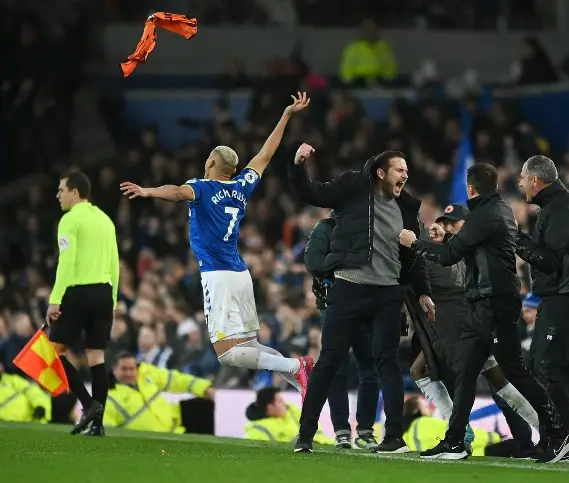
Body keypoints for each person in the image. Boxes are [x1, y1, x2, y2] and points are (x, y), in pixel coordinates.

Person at [120, 93, 314, 399]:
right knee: (251, 347)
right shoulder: (241, 186)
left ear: (211, 161)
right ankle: (304, 384)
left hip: (217, 275)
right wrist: (287, 115)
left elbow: (175, 192)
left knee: (227, 354)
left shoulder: (201, 186)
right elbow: (265, 153)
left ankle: (296, 366)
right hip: (240, 273)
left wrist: (147, 191)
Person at [399, 163, 569, 463]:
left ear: (470, 189)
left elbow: (448, 257)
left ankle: (560, 434)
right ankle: (456, 440)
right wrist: (444, 238)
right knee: (468, 371)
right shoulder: (501, 210)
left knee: (510, 373)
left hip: (492, 303)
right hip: (492, 302)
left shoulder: (483, 215)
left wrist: (414, 243)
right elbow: (467, 249)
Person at [288, 144, 433, 454]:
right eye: (399, 170)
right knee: (329, 362)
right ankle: (305, 434)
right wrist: (298, 165)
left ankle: (393, 436)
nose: (405, 175)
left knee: (388, 364)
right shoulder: (351, 187)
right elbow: (312, 193)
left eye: (407, 171)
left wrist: (423, 292)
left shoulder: (406, 207)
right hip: (349, 288)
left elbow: (413, 256)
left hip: (387, 294)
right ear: (381, 173)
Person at [408, 203, 539, 450]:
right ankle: (461, 431)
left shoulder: (470, 248)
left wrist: (424, 243)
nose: (447, 228)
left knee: (499, 382)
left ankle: (545, 431)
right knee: (424, 370)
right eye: (445, 223)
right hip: (457, 324)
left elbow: (453, 280)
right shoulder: (453, 248)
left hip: (472, 322)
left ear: (467, 225)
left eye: (452, 223)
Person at [515, 154, 569, 458]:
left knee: (547, 368)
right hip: (557, 297)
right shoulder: (555, 206)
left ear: (535, 180)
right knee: (537, 367)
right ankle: (552, 438)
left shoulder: (562, 208)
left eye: (522, 178)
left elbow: (549, 259)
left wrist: (515, 238)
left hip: (567, 298)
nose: (519, 183)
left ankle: (566, 440)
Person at [46, 171, 120, 436]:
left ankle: (88, 405)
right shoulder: (105, 220)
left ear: (75, 193)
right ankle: (98, 425)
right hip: (104, 294)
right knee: (96, 357)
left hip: (79, 292)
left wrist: (55, 300)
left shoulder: (70, 220)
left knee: (55, 350)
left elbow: (66, 261)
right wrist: (112, 299)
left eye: (61, 190)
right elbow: (115, 264)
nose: (58, 195)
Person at [304, 214, 379, 450]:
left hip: (367, 307)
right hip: (335, 306)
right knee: (337, 369)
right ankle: (342, 431)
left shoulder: (372, 226)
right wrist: (348, 266)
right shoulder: (325, 228)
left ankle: (365, 431)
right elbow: (312, 262)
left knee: (369, 368)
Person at [104, 352, 214, 433]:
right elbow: (107, 429)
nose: (128, 373)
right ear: (114, 370)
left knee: (204, 405)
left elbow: (174, 379)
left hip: (176, 425)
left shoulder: (146, 374)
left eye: (132, 369)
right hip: (150, 441)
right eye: (124, 369)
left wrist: (203, 387)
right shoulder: (109, 397)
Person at [402, 396, 502, 457]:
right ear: (417, 410)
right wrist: (494, 437)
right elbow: (460, 434)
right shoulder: (425, 422)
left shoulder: (405, 435)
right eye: (425, 406)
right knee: (512, 445)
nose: (430, 409)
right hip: (476, 454)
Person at [245, 387, 333, 445]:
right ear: (270, 407)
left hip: (320, 444)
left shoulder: (291, 411)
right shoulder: (260, 428)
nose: (285, 404)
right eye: (280, 401)